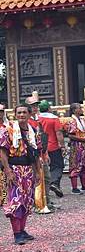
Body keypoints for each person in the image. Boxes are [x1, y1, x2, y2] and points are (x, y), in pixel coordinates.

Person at [0, 104, 40, 244]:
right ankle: (17, 233)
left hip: (28, 169)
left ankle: (22, 230)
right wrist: (8, 170)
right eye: (19, 113)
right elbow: (3, 152)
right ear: (15, 114)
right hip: (14, 169)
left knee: (26, 200)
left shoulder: (32, 130)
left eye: (24, 112)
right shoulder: (8, 130)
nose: (21, 115)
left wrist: (38, 172)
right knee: (15, 200)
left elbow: (35, 154)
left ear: (29, 114)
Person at [38, 100, 65, 199]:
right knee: (57, 166)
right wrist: (62, 145)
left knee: (42, 168)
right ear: (49, 108)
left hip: (41, 147)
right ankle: (54, 182)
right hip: (53, 146)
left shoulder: (38, 118)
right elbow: (58, 133)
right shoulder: (54, 119)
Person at [67, 103, 85, 194]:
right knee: (76, 165)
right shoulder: (72, 121)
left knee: (84, 164)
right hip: (76, 146)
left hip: (84, 146)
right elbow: (70, 135)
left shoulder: (82, 120)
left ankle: (84, 185)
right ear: (74, 110)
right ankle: (74, 187)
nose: (81, 109)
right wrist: (83, 139)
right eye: (79, 108)